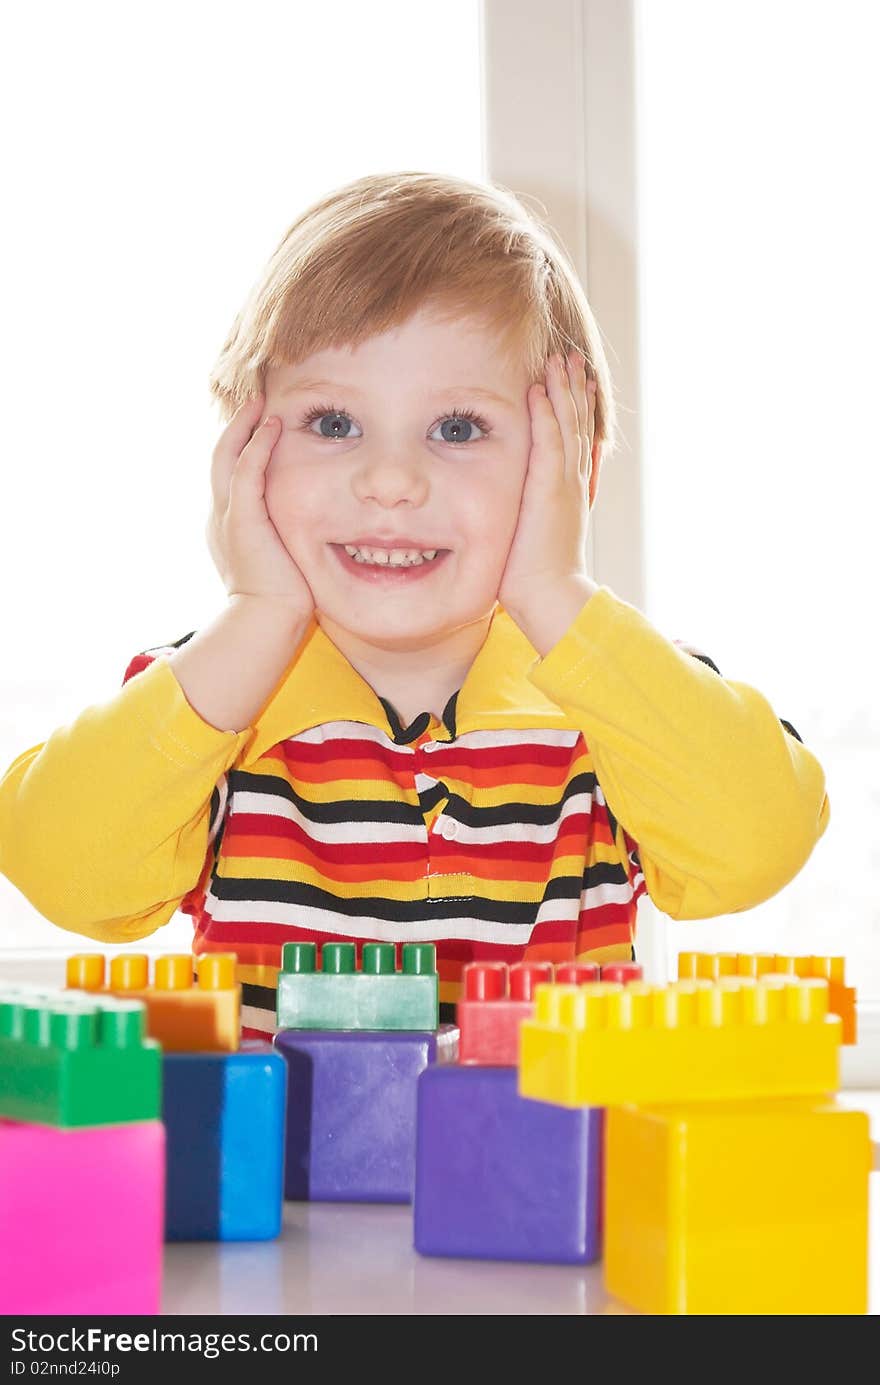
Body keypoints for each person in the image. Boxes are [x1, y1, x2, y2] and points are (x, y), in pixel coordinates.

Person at [0, 171, 829, 1037]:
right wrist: (255, 614)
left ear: (567, 467)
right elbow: (62, 870)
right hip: (277, 1178)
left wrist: (553, 592)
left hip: (549, 1172)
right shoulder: (211, 698)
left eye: (457, 429)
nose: (391, 481)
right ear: (243, 451)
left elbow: (758, 844)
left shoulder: (615, 695)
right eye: (333, 422)